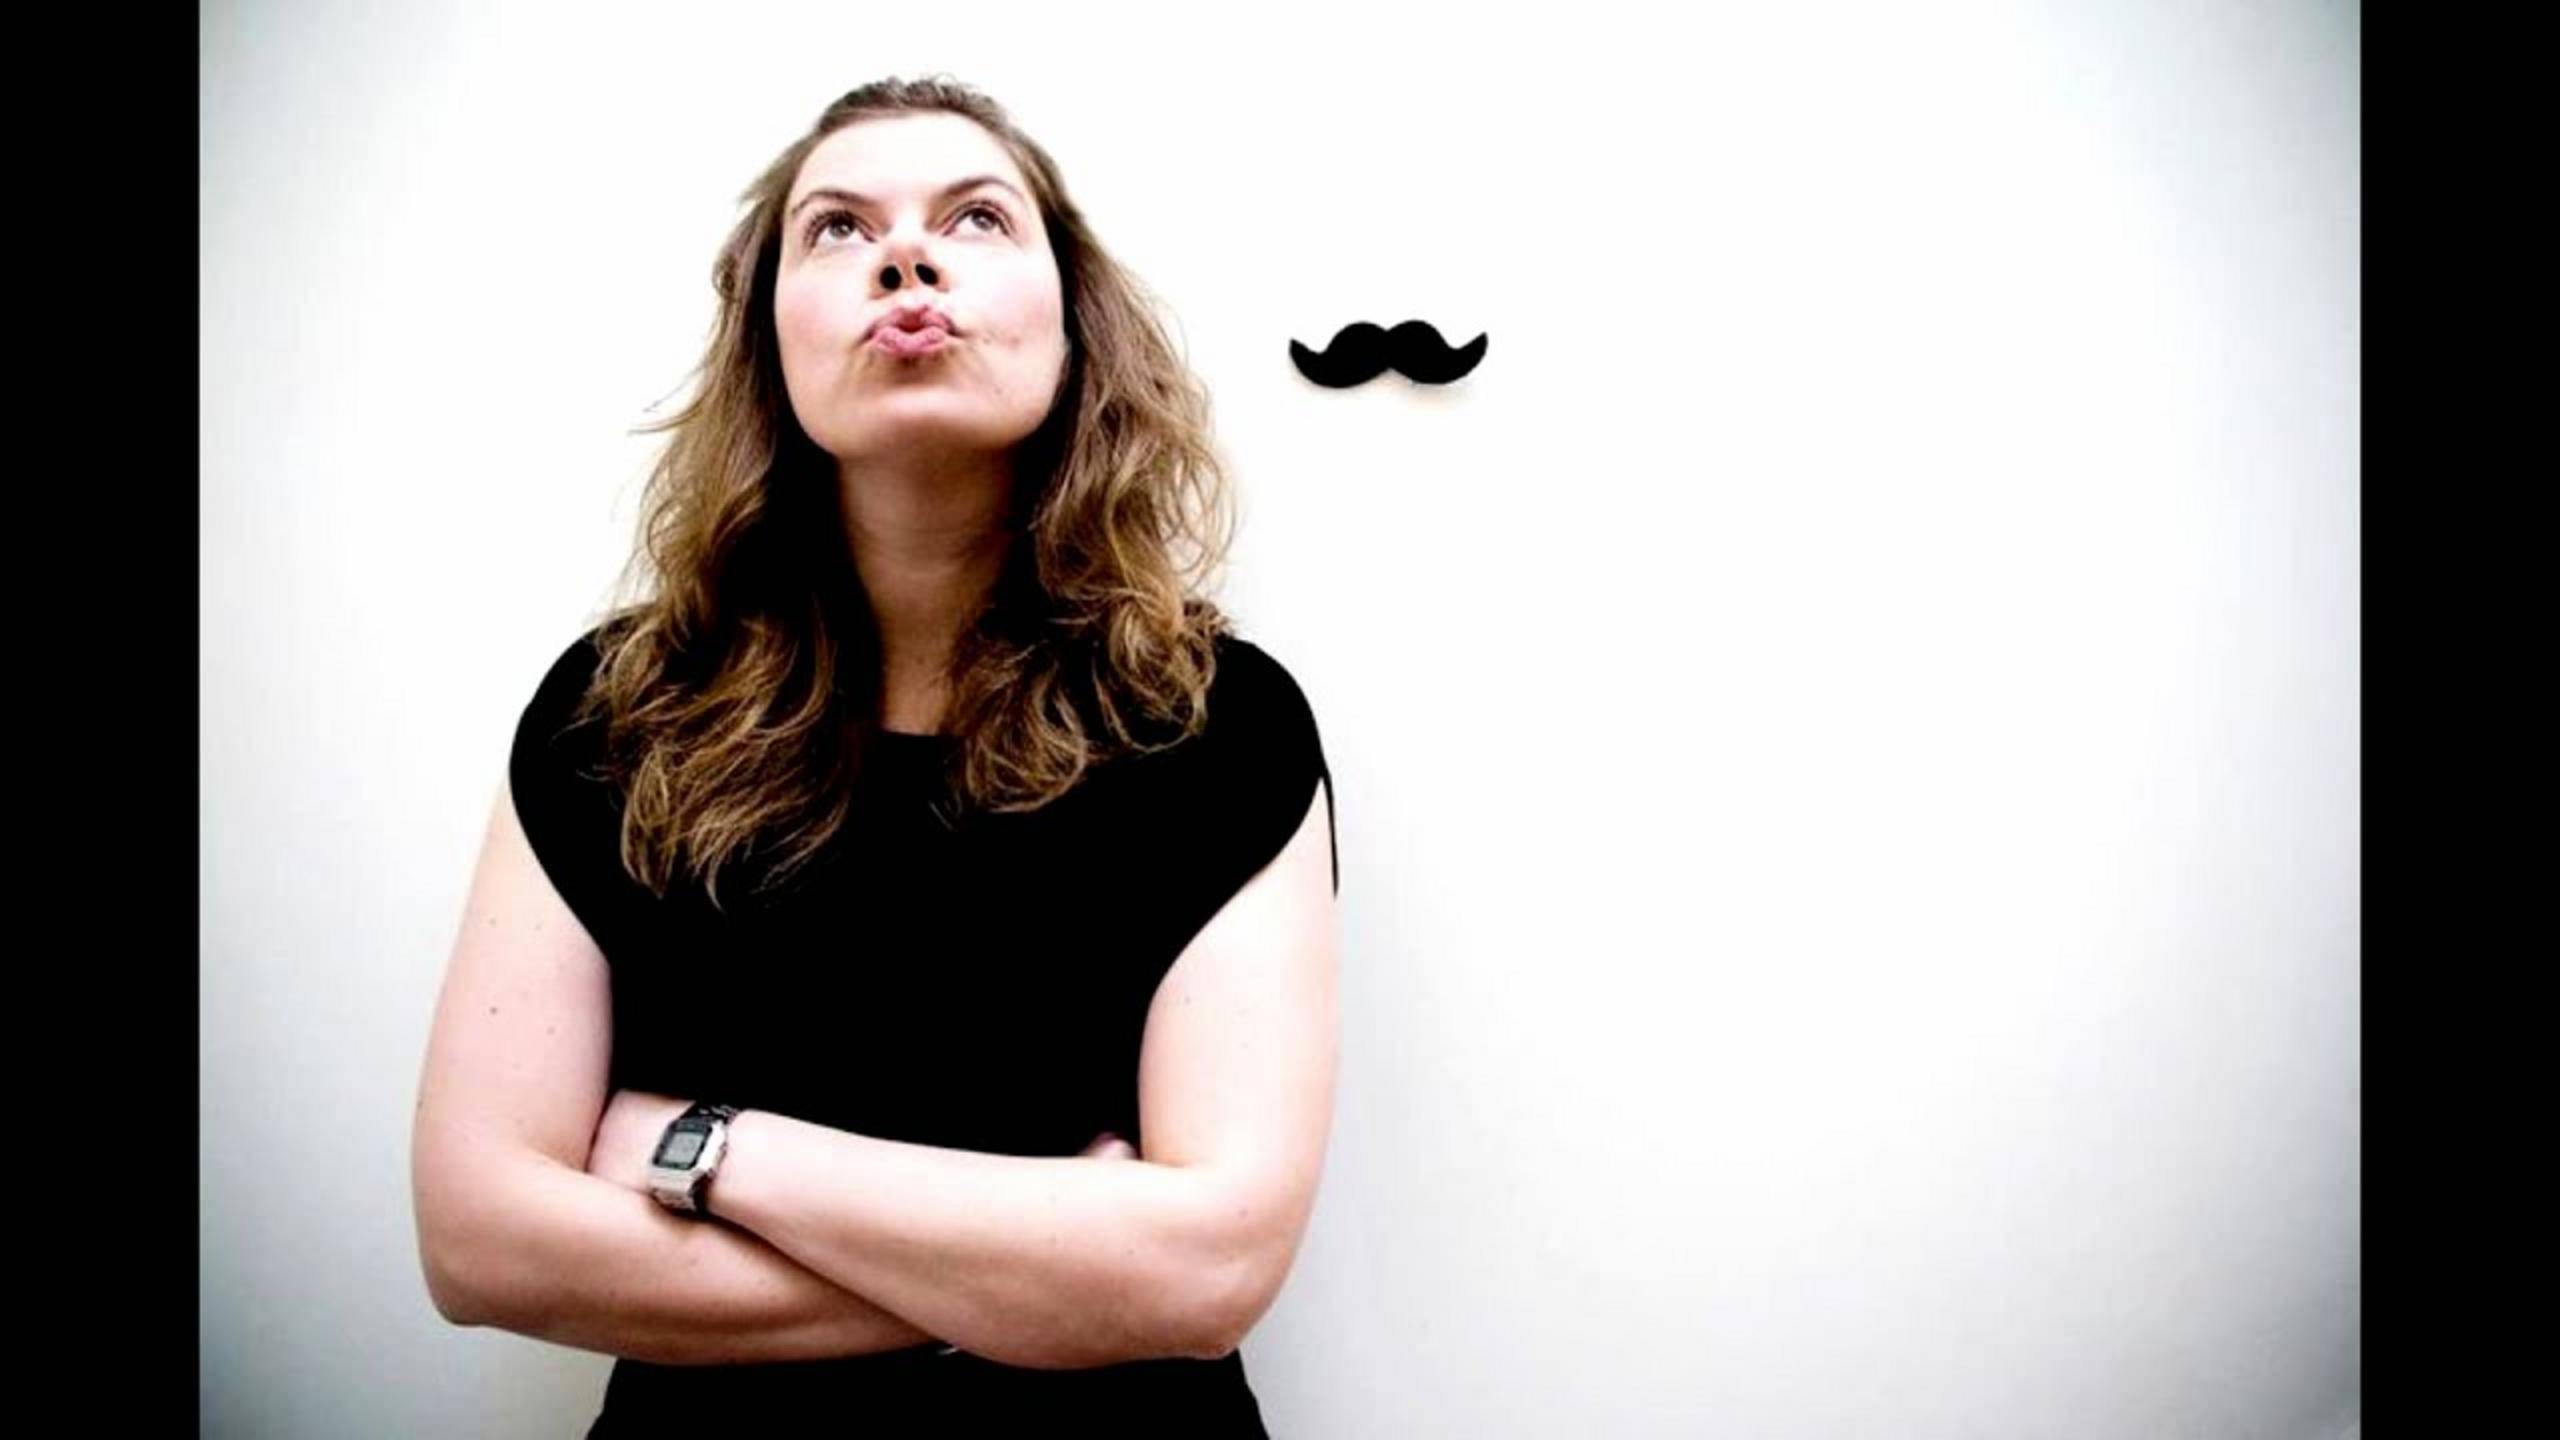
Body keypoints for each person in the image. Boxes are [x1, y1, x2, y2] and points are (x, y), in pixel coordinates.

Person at [409, 75, 1339, 1436]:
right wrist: (1042, 1277)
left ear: (1073, 322)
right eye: (837, 228)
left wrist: (713, 1150)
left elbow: (1205, 1275)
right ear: (767, 339)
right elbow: (480, 1244)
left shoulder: (1217, 725)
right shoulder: (613, 717)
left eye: (977, 218)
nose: (906, 255)